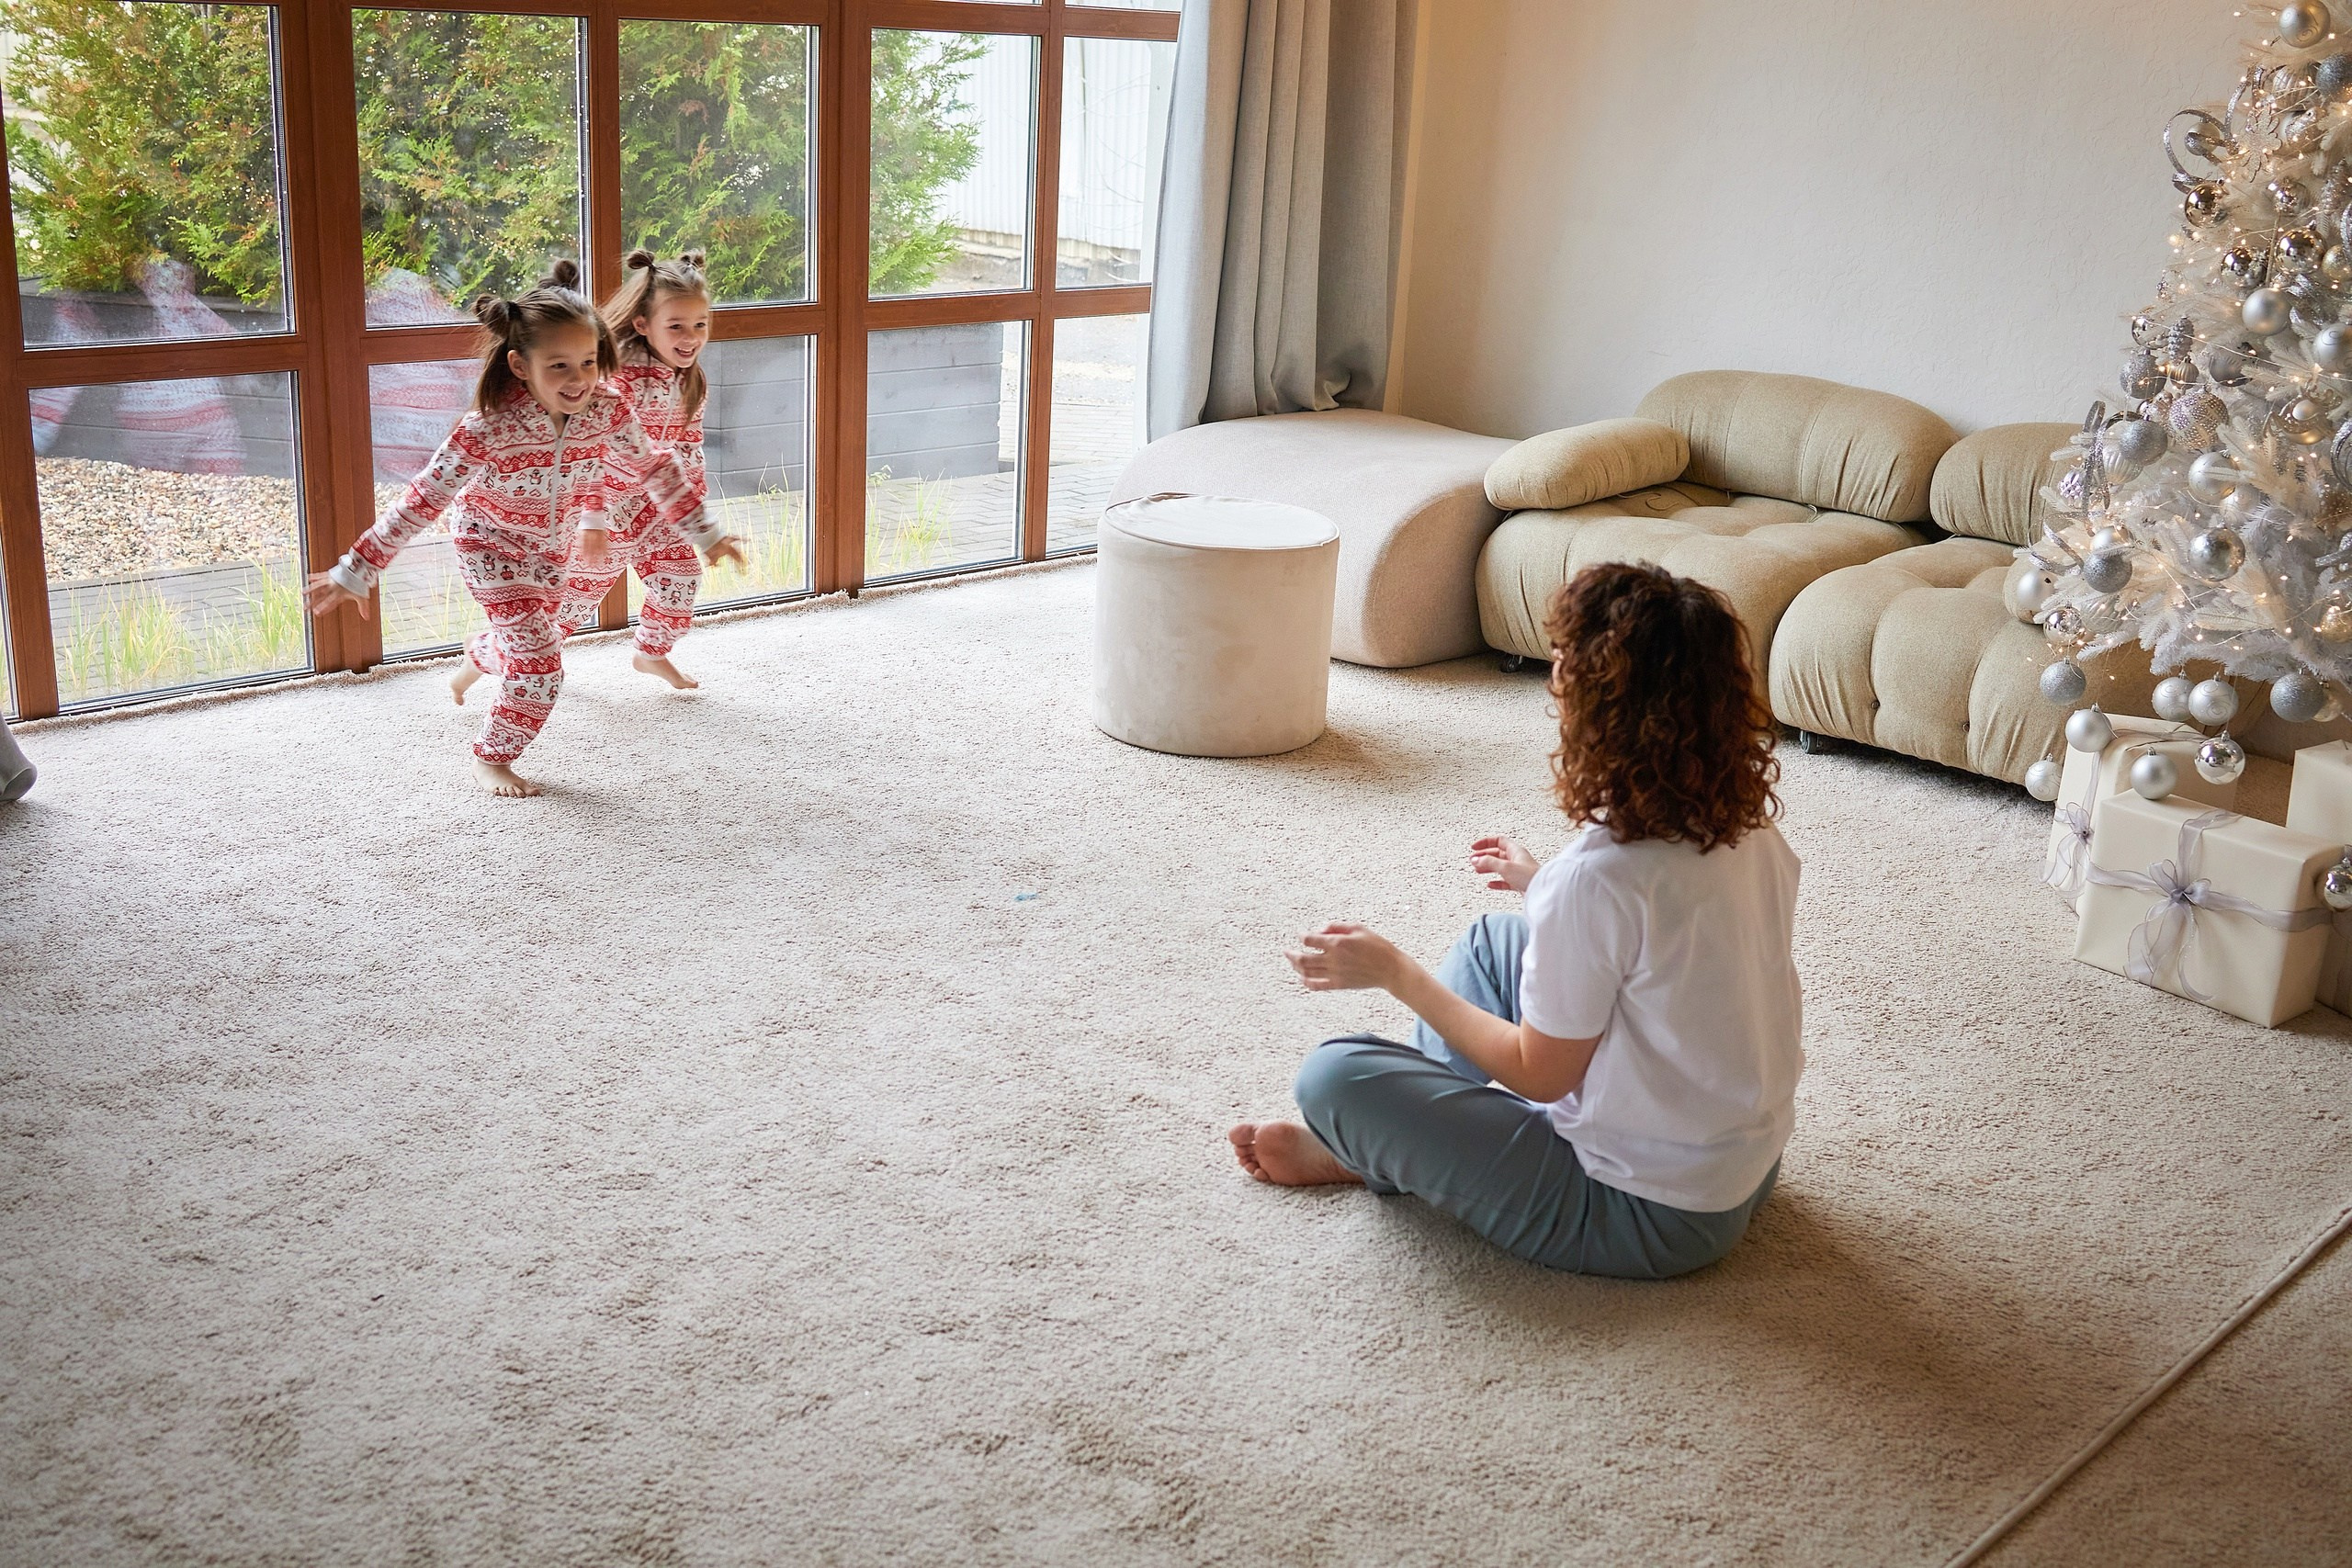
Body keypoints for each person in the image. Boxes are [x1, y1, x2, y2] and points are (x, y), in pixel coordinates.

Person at [1228, 562, 1803, 1280]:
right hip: (1744, 1170)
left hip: (1647, 1213)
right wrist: (1543, 890)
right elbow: (1676, 950)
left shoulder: (1596, 879)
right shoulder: (1749, 831)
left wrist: (1394, 972)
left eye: (1564, 666)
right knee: (1493, 942)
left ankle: (1372, 1150)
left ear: (1610, 711)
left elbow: (1539, 1074)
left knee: (1332, 1077)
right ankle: (1393, 1146)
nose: (1551, 680)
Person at [303, 261, 705, 798]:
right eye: (559, 365)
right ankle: (492, 758)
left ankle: (478, 656)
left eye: (588, 363)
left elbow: (655, 465)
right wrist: (356, 569)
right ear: (520, 365)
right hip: (489, 546)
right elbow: (422, 500)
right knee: (542, 663)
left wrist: (704, 531)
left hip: (552, 549)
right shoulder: (488, 427)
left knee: (536, 640)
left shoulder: (607, 410)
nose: (579, 379)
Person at [554, 248, 744, 691]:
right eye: (675, 326)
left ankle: (650, 653)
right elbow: (590, 452)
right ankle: (493, 656)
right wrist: (592, 518)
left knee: (680, 579)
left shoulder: (690, 378)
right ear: (643, 324)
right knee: (571, 606)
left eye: (700, 325)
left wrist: (697, 515)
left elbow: (688, 445)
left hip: (658, 506)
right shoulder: (619, 379)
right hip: (607, 510)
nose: (691, 337)